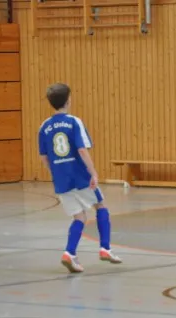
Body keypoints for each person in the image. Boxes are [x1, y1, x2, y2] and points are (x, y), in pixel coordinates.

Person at [38, 83, 122, 273]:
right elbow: (82, 149)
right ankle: (105, 249)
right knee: (100, 206)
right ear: (68, 100)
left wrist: (55, 173)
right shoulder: (74, 122)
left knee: (79, 217)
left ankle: (69, 253)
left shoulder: (44, 126)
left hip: (61, 180)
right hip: (79, 175)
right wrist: (93, 173)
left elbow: (44, 156)